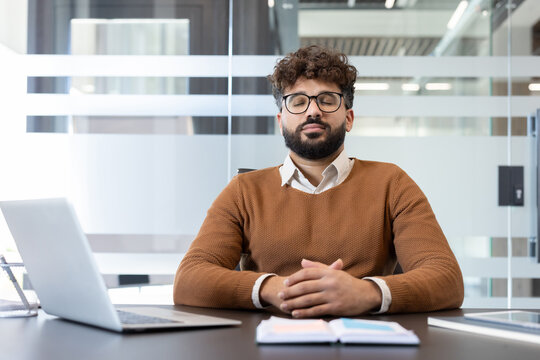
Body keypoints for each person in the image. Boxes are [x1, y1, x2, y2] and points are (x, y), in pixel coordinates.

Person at [174, 45, 464, 317]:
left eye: (327, 100)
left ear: (348, 118)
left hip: (365, 341)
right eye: (298, 102)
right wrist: (273, 288)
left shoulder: (393, 183)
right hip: (268, 344)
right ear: (281, 121)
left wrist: (368, 292)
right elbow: (189, 279)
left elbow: (446, 278)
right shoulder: (243, 191)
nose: (313, 110)